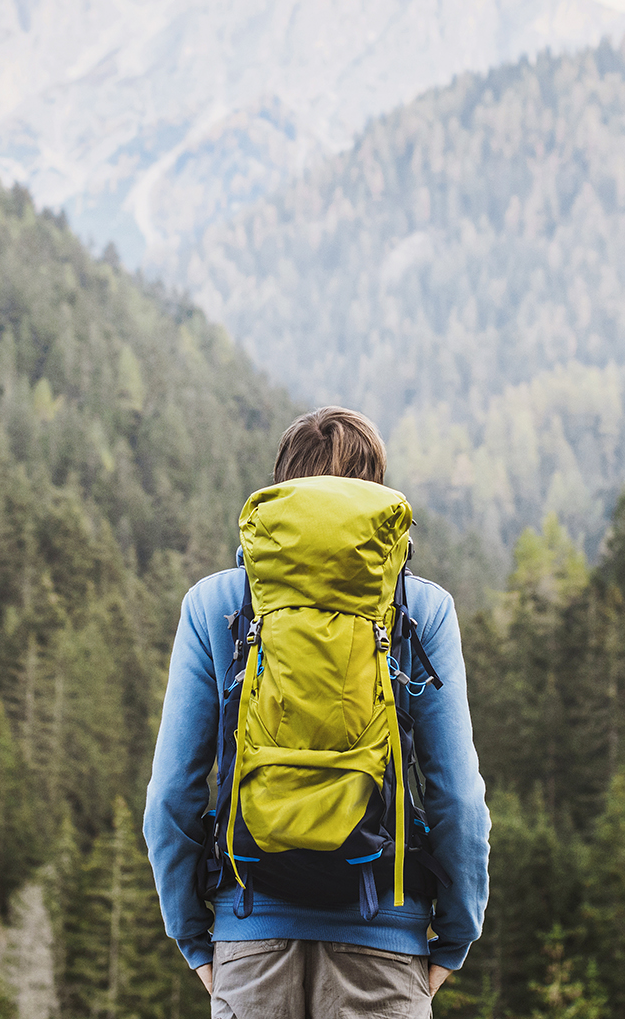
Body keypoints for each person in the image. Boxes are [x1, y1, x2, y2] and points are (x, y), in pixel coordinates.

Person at [144, 406, 491, 1018]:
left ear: (283, 487)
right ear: (375, 492)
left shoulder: (214, 603)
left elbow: (171, 797)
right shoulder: (421, 609)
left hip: (249, 936)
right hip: (385, 946)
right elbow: (457, 800)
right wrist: (455, 937)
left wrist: (194, 937)